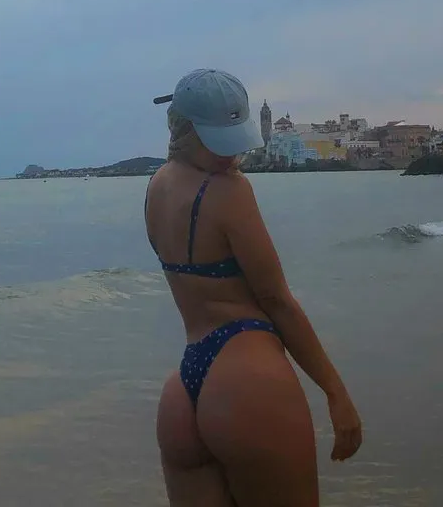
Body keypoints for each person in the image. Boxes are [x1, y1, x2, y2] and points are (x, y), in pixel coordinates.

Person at [145, 68, 362, 507]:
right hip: (247, 380)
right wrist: (335, 392)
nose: (229, 155)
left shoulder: (156, 187)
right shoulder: (229, 191)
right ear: (186, 131)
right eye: (217, 142)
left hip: (184, 393)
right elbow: (276, 300)